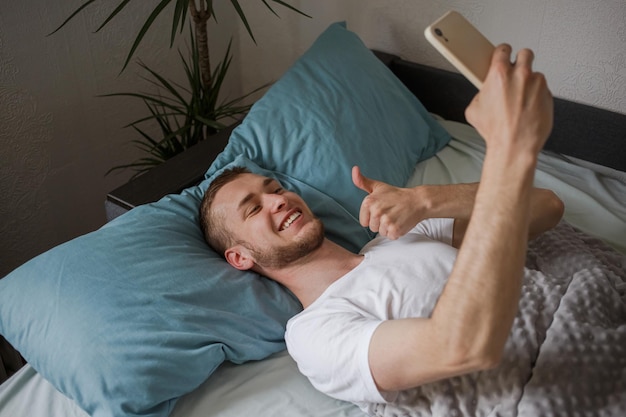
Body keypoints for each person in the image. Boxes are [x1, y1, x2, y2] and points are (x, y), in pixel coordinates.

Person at [198, 44, 564, 411]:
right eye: (253, 209)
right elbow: (462, 347)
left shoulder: (400, 234)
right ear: (239, 257)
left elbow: (545, 208)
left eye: (275, 189)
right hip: (548, 382)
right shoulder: (313, 332)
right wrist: (508, 150)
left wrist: (425, 200)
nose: (278, 200)